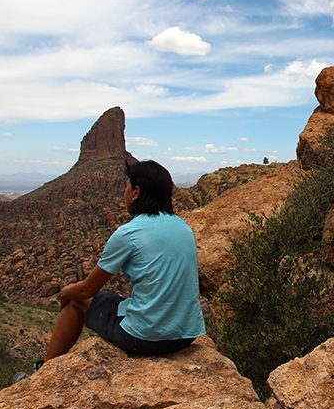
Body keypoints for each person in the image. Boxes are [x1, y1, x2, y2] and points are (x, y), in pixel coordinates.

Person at [14, 160, 206, 383]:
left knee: (75, 300)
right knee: (112, 300)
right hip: (186, 335)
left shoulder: (129, 233)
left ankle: (42, 374)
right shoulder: (184, 227)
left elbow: (88, 289)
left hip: (145, 339)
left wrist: (64, 292)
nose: (124, 194)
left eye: (126, 188)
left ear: (136, 192)